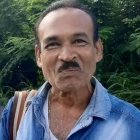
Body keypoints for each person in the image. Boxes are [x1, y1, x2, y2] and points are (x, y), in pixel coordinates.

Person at [0, 0, 140, 140]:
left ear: (97, 50)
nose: (66, 56)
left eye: (79, 41)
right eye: (53, 44)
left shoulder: (130, 123)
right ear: (39, 56)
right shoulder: (18, 112)